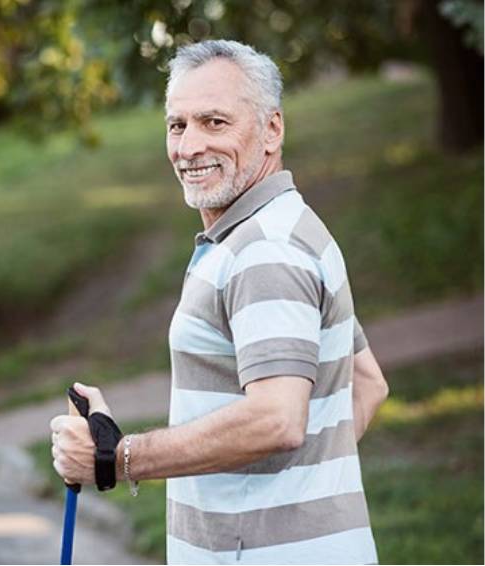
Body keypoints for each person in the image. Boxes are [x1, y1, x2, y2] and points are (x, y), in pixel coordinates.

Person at [50, 39, 389, 565]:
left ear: (272, 129)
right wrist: (295, 489)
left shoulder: (265, 251)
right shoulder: (283, 228)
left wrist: (118, 459)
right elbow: (367, 383)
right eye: (177, 125)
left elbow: (277, 419)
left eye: (214, 122)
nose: (188, 148)